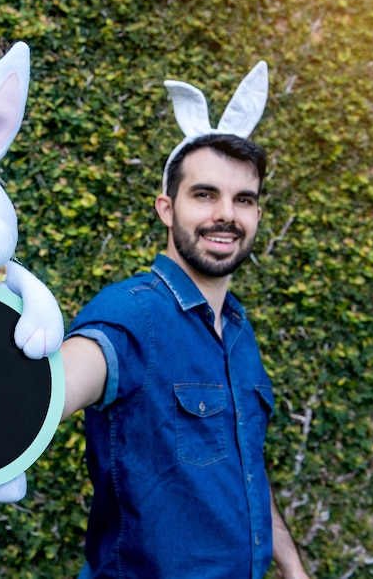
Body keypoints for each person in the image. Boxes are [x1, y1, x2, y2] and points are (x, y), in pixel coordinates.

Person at [59, 131, 310, 578]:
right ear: (167, 209)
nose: (226, 215)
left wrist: (293, 568)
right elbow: (45, 394)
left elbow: (245, 464)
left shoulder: (236, 329)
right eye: (205, 194)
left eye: (244, 200)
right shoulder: (131, 312)